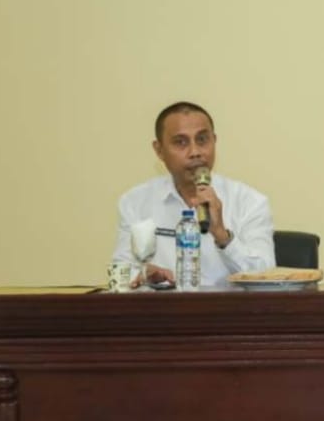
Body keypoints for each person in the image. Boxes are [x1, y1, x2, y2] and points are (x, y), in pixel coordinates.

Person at [111, 101, 275, 287]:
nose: (195, 152)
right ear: (159, 150)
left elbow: (266, 275)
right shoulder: (134, 202)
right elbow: (121, 271)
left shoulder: (250, 202)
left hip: (228, 305)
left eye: (202, 140)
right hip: (164, 304)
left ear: (214, 141)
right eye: (181, 142)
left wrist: (223, 236)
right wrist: (143, 274)